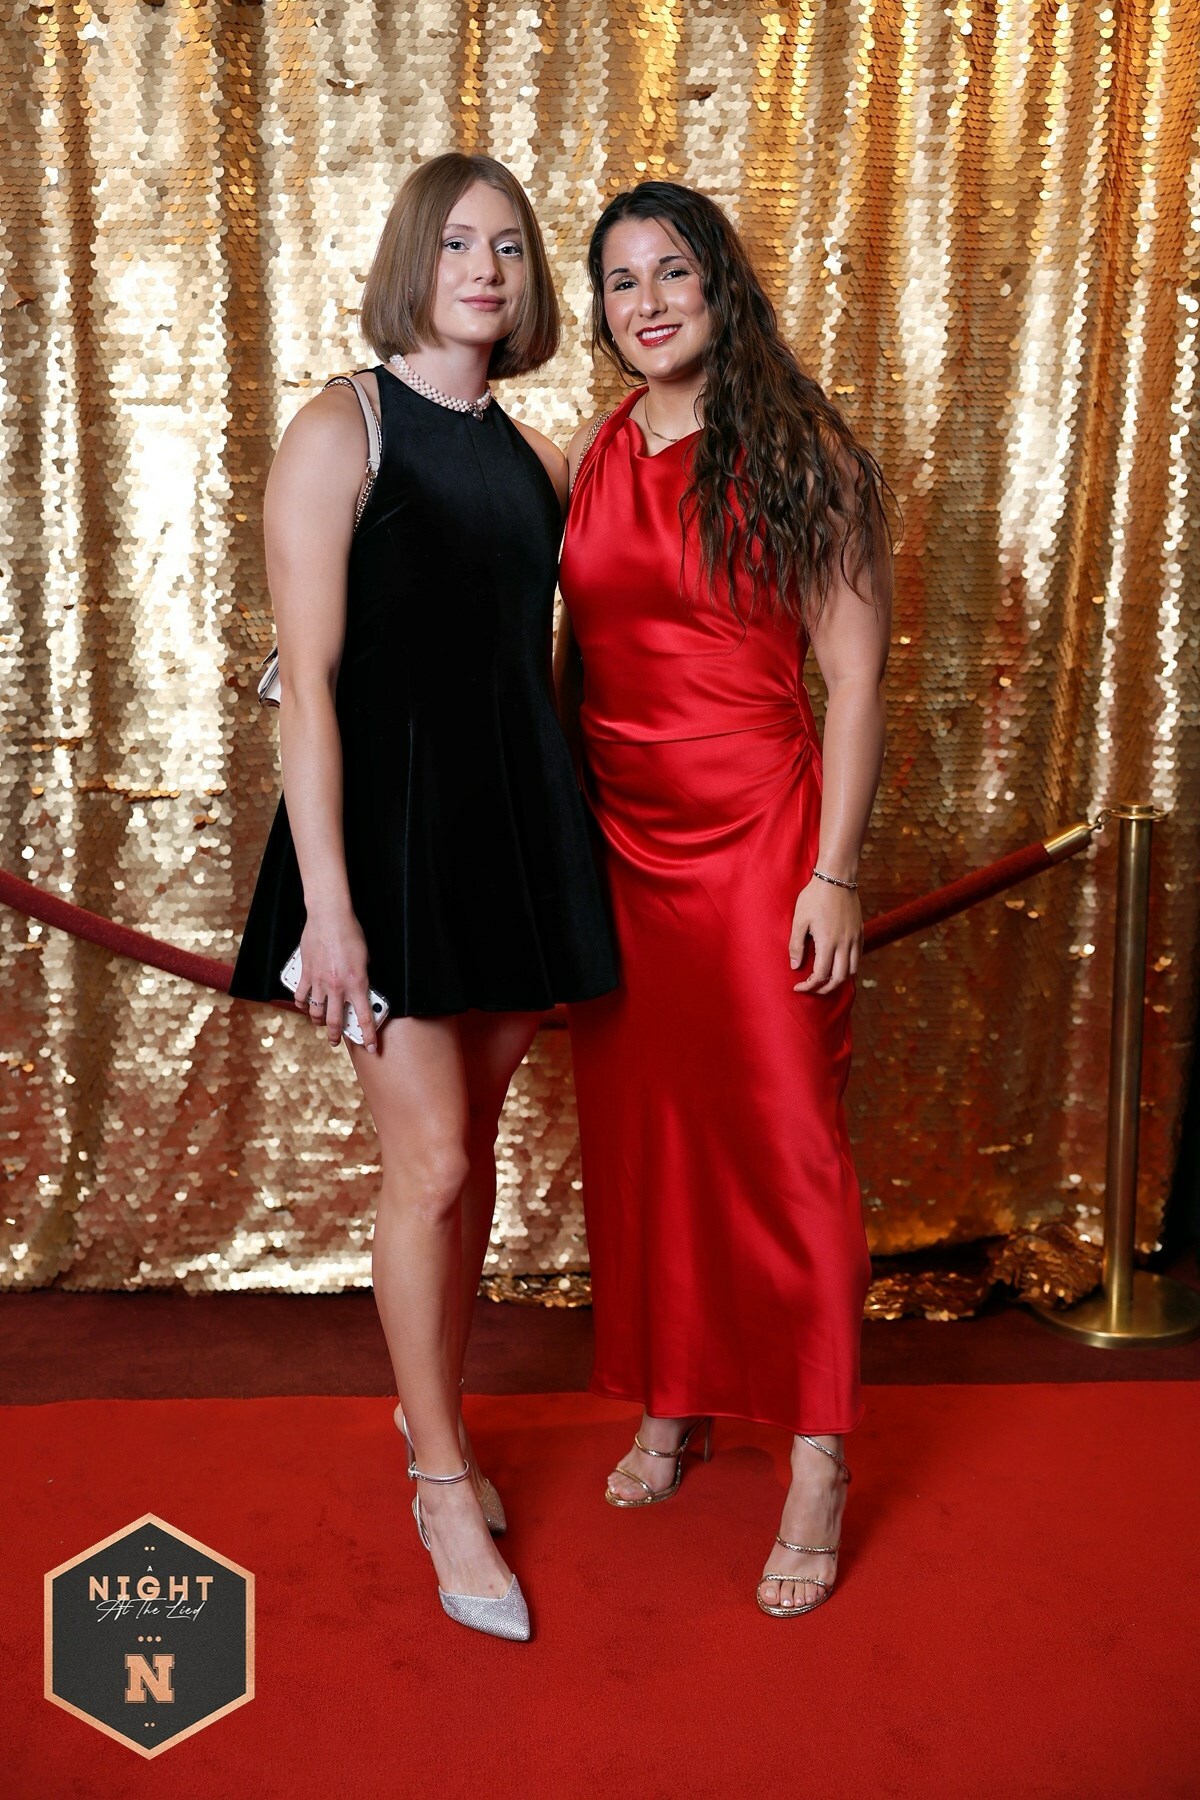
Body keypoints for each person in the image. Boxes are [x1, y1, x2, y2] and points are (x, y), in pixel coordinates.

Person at [231, 153, 617, 1642]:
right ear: (413, 259)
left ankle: (427, 1403)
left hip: (510, 835)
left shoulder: (533, 459)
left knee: (477, 1156)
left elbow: (534, 664)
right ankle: (441, 1478)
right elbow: (310, 686)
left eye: (509, 247)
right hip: (382, 843)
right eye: (458, 243)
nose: (486, 270)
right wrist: (329, 910)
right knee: (436, 1161)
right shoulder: (345, 425)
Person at [557, 181, 892, 1617]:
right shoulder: (597, 451)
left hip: (762, 845)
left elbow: (855, 677)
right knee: (654, 1142)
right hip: (620, 852)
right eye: (621, 280)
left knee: (790, 1150)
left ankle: (818, 1454)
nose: (648, 303)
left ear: (720, 285)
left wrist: (835, 871)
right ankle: (675, 1397)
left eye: (672, 272)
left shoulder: (803, 450)